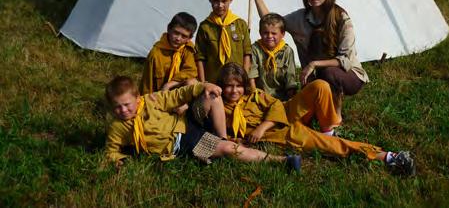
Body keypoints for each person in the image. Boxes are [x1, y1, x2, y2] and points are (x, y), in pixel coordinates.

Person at [218, 63, 415, 176]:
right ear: (221, 86)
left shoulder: (253, 95)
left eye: (238, 86)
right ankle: (389, 157)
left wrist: (262, 126)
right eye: (229, 86)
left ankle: (329, 128)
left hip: (284, 113)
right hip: (281, 133)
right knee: (332, 146)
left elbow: (276, 105)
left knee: (320, 85)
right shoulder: (220, 109)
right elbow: (226, 135)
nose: (234, 91)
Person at [104, 76, 301, 172]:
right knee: (229, 149)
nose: (123, 110)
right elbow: (111, 150)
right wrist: (118, 159)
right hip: (185, 144)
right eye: (117, 107)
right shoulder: (117, 127)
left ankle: (221, 135)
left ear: (137, 98)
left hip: (187, 123)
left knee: (212, 95)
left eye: (126, 104)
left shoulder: (151, 100)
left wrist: (203, 86)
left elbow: (178, 95)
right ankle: (282, 161)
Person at [246, 0, 369, 110]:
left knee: (329, 73)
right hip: (314, 75)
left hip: (348, 74)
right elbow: (273, 24)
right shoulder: (300, 17)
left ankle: (336, 115)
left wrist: (314, 64)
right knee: (307, 107)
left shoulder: (341, 18)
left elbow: (346, 58)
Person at [196, 0, 252, 85]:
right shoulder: (205, 27)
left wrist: (245, 79)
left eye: (224, 1)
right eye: (216, 1)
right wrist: (203, 83)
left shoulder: (240, 24)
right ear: (210, 0)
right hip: (213, 81)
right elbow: (200, 57)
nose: (220, 5)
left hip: (236, 83)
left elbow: (247, 54)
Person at [139, 12, 198, 95]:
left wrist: (169, 84)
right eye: (176, 33)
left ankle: (188, 106)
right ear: (169, 29)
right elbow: (147, 82)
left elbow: (191, 71)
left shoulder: (188, 49)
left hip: (177, 90)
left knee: (192, 82)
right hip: (160, 95)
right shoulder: (156, 53)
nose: (178, 38)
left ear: (189, 38)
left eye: (184, 36)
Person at [249, 13, 298, 101]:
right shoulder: (255, 49)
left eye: (274, 33)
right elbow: (252, 77)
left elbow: (290, 79)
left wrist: (291, 99)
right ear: (260, 32)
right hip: (261, 97)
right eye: (266, 33)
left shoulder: (287, 51)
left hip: (282, 98)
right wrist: (255, 97)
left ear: (282, 34)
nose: (269, 36)